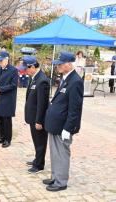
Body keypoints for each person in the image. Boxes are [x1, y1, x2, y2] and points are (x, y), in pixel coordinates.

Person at [44, 51, 84, 192]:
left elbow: (75, 109)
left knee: (61, 153)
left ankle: (61, 182)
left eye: (60, 64)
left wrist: (68, 128)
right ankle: (55, 176)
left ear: (68, 64)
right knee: (55, 153)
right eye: (57, 65)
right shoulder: (66, 78)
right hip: (55, 124)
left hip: (63, 126)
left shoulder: (76, 81)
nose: (58, 67)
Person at [21, 55, 50, 173]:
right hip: (32, 116)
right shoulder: (34, 77)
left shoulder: (42, 80)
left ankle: (39, 164)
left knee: (40, 141)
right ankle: (37, 159)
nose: (25, 71)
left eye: (26, 69)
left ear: (32, 66)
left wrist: (39, 120)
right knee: (36, 140)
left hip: (38, 118)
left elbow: (42, 104)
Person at [0, 51, 18, 148]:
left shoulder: (13, 70)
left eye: (1, 61)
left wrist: (1, 89)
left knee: (6, 119)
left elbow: (14, 85)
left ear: (7, 60)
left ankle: (8, 139)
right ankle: (2, 136)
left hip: (8, 98)